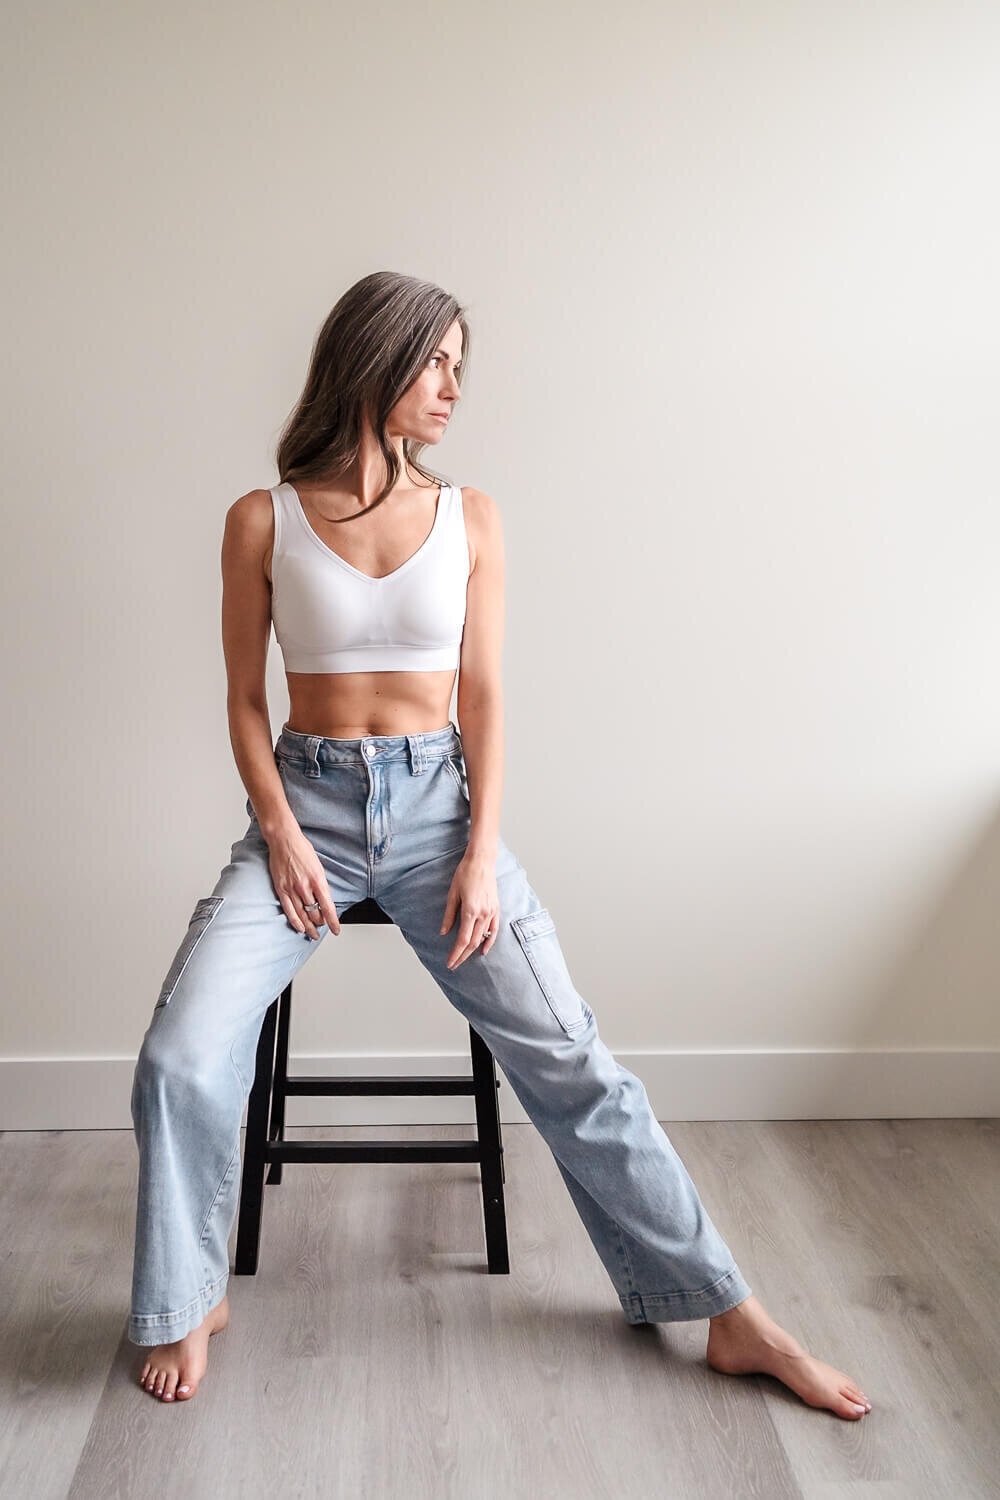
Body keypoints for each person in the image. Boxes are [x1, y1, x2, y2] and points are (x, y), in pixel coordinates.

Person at [129, 270, 872, 1420]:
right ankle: (189, 1295)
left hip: (439, 819)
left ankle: (735, 1317)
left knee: (576, 1064)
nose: (451, 388)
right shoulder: (260, 519)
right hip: (309, 811)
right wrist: (279, 835)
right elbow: (239, 700)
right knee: (179, 1054)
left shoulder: (472, 517)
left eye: (459, 367)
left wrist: (480, 855)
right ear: (374, 359)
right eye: (435, 363)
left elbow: (483, 699)